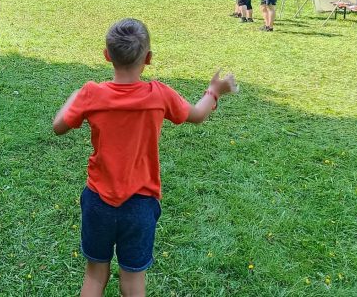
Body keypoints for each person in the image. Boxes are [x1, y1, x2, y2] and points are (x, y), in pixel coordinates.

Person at [52, 19, 237, 297]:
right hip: (140, 206)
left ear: (106, 55)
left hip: (98, 201)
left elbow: (58, 126)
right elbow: (197, 115)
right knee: (133, 281)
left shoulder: (91, 94)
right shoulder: (159, 94)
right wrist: (214, 91)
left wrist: (76, 95)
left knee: (94, 276)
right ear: (148, 59)